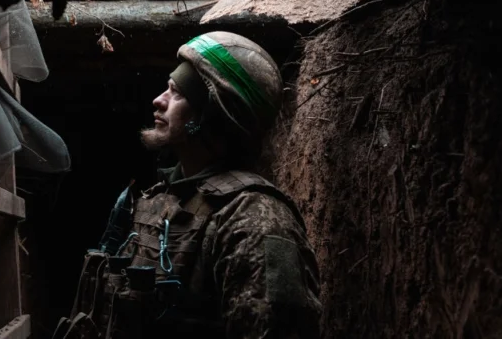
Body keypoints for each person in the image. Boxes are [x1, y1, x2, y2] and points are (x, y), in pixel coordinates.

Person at [55, 31, 323, 339]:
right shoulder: (155, 199)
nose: (159, 100)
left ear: (211, 114)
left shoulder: (254, 219)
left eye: (177, 92)